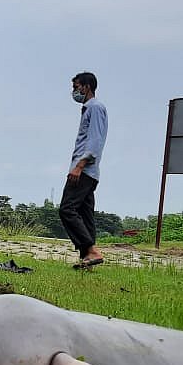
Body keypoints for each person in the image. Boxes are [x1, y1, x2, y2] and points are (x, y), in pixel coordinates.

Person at [60, 71, 108, 269]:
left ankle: (90, 250)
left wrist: (79, 166)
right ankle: (88, 258)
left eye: (76, 87)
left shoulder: (95, 108)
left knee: (67, 209)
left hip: (85, 169)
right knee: (85, 213)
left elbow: (95, 141)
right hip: (90, 171)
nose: (74, 91)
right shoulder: (91, 109)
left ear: (86, 87)